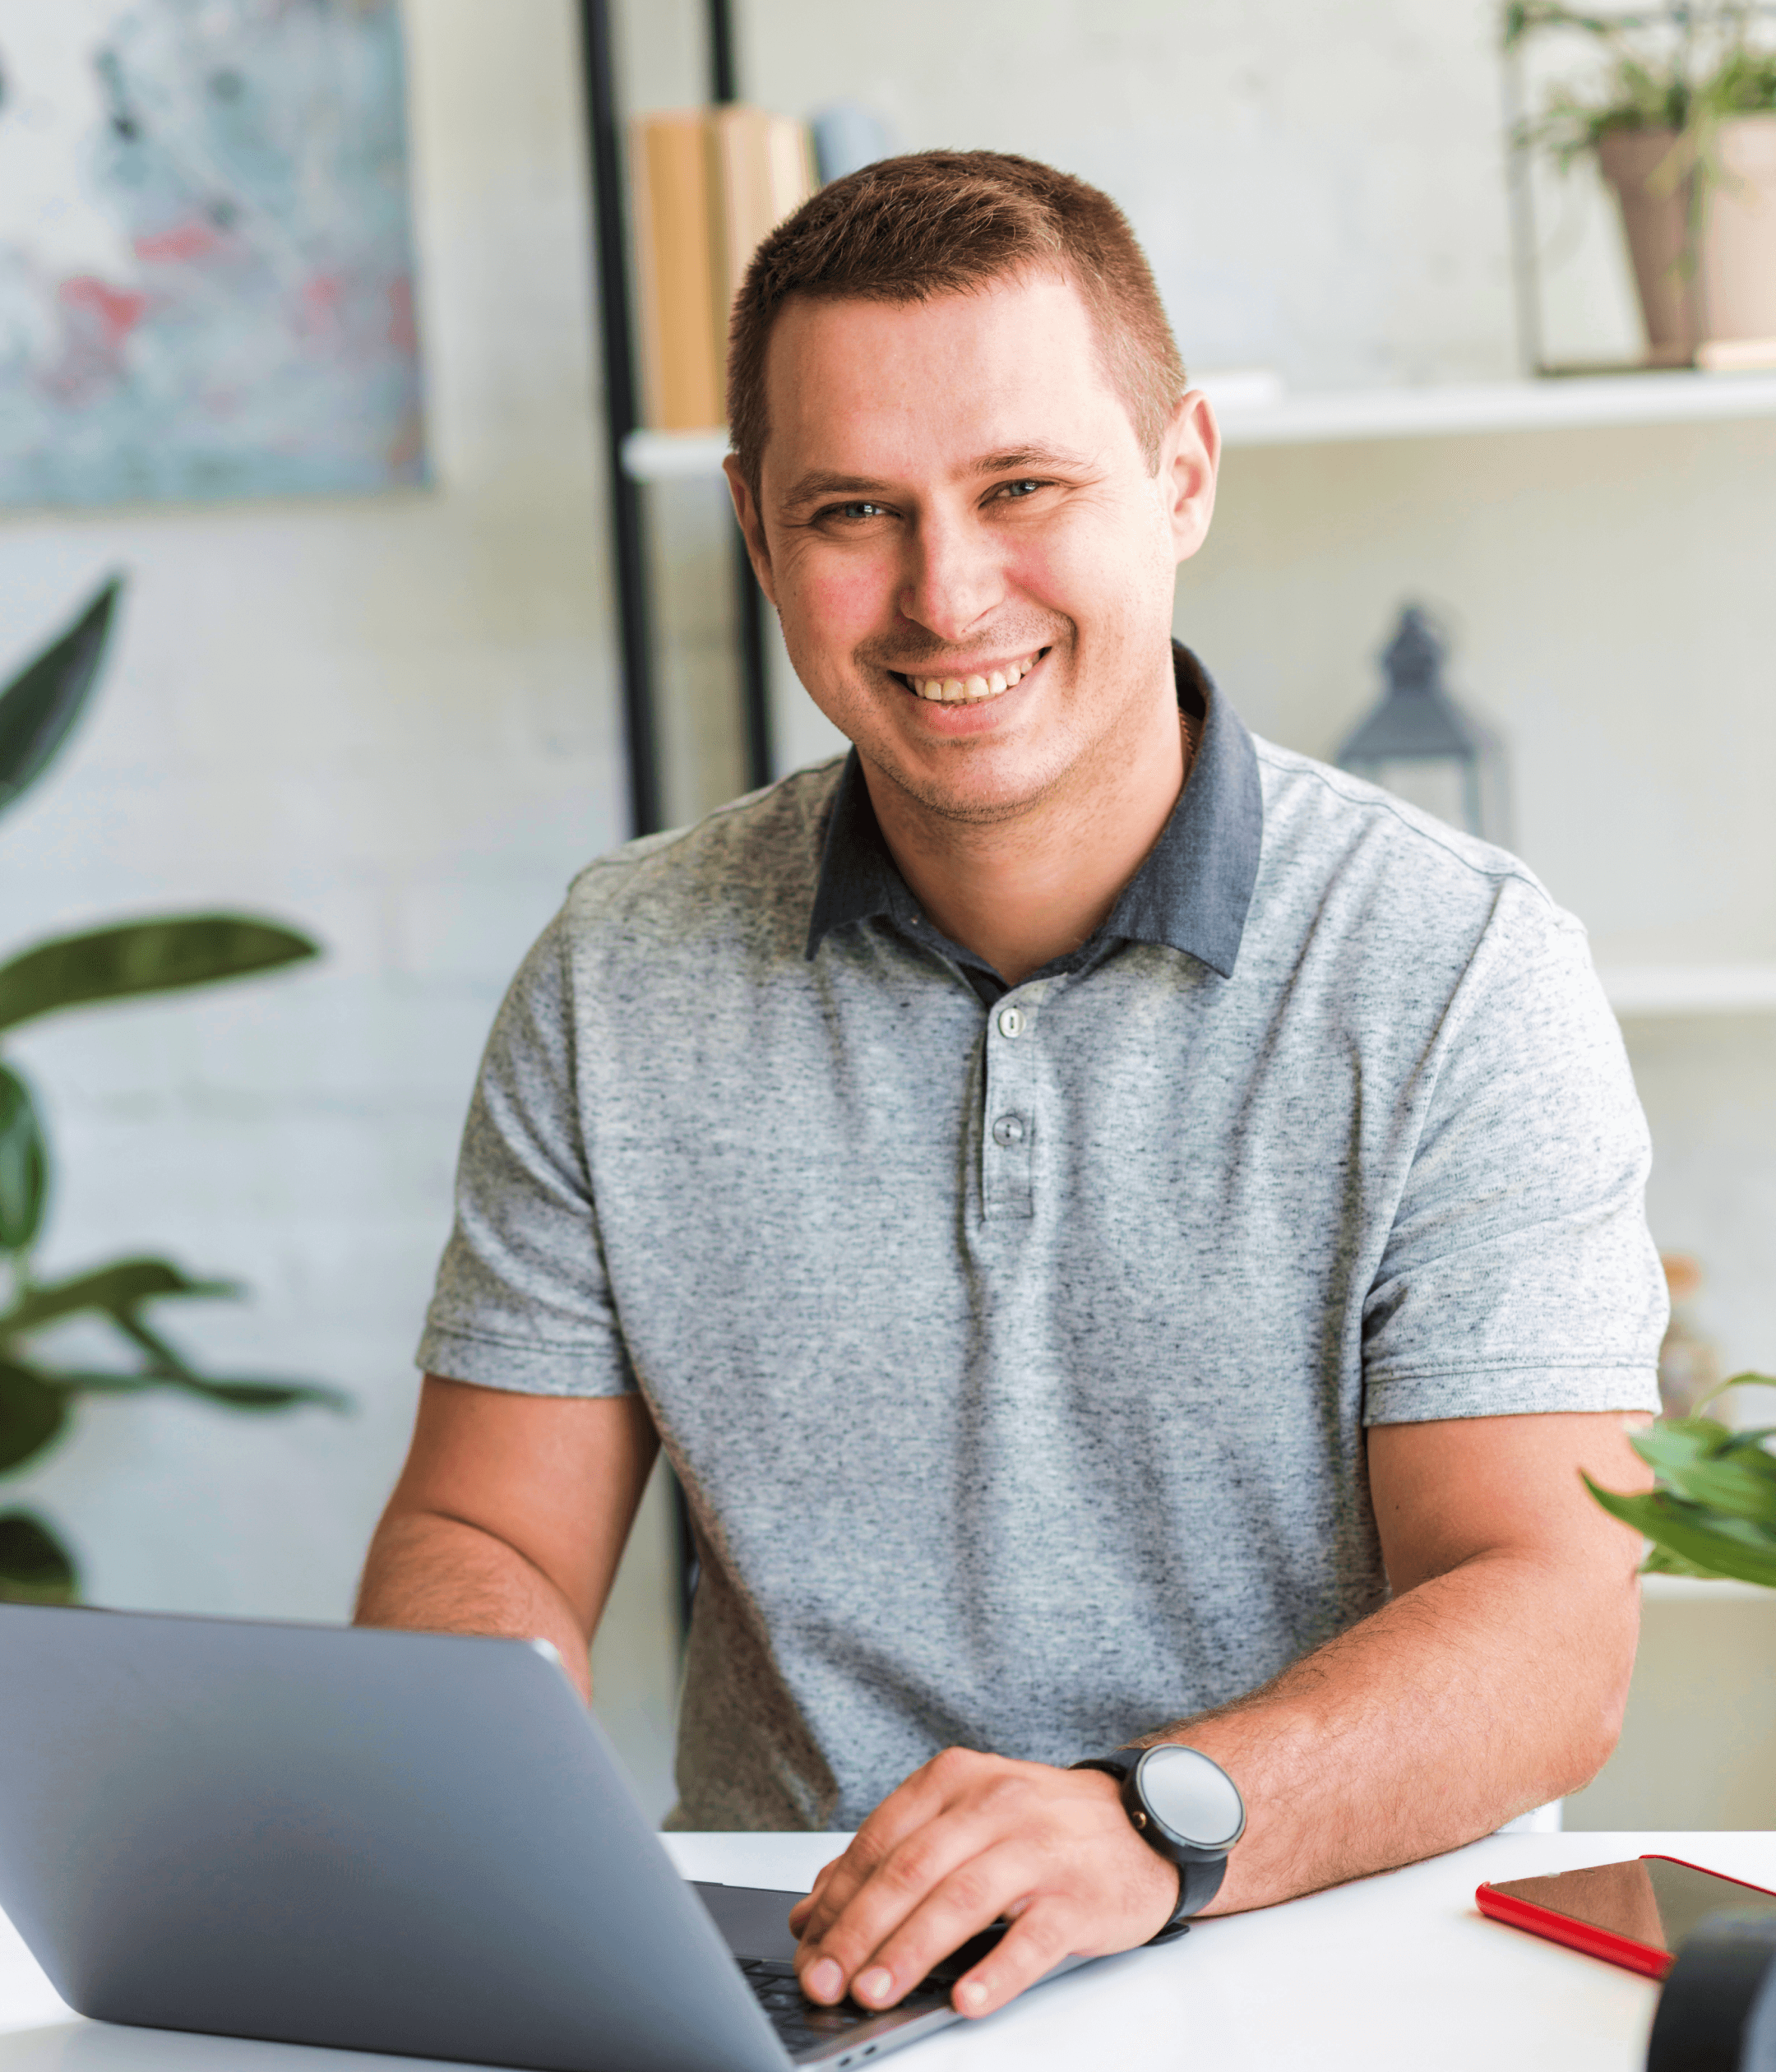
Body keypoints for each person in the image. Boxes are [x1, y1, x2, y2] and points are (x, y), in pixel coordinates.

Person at [357, 151, 1663, 2023]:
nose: (944, 592)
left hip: (1338, 1970)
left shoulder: (1461, 970)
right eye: (851, 512)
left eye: (1023, 487)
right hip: (807, 1987)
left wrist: (1151, 1824)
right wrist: (487, 1817)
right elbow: (483, 1535)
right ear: (754, 528)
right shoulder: (618, 970)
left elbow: (1549, 1621)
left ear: (1183, 476)